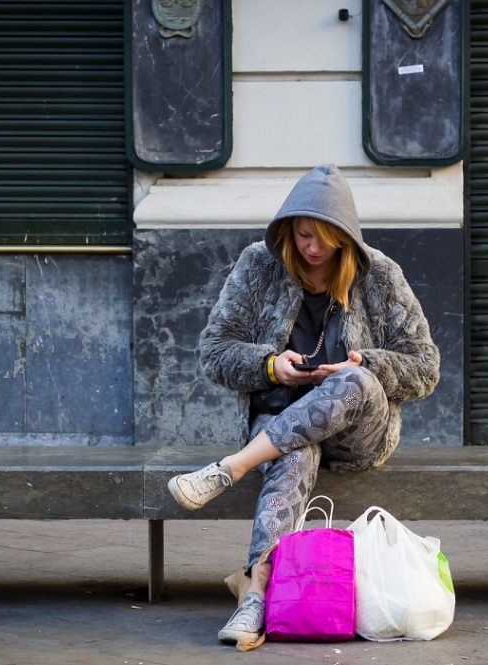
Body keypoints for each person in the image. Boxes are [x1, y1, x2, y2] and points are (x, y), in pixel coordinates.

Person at [167, 163, 441, 645]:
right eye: (301, 234)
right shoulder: (260, 265)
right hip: (280, 427)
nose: (311, 248)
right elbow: (213, 351)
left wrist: (367, 362)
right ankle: (255, 595)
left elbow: (425, 367)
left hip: (358, 434)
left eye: (323, 237)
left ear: (346, 236)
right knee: (295, 454)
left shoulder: (379, 276)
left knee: (354, 379)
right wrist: (272, 366)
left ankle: (230, 468)